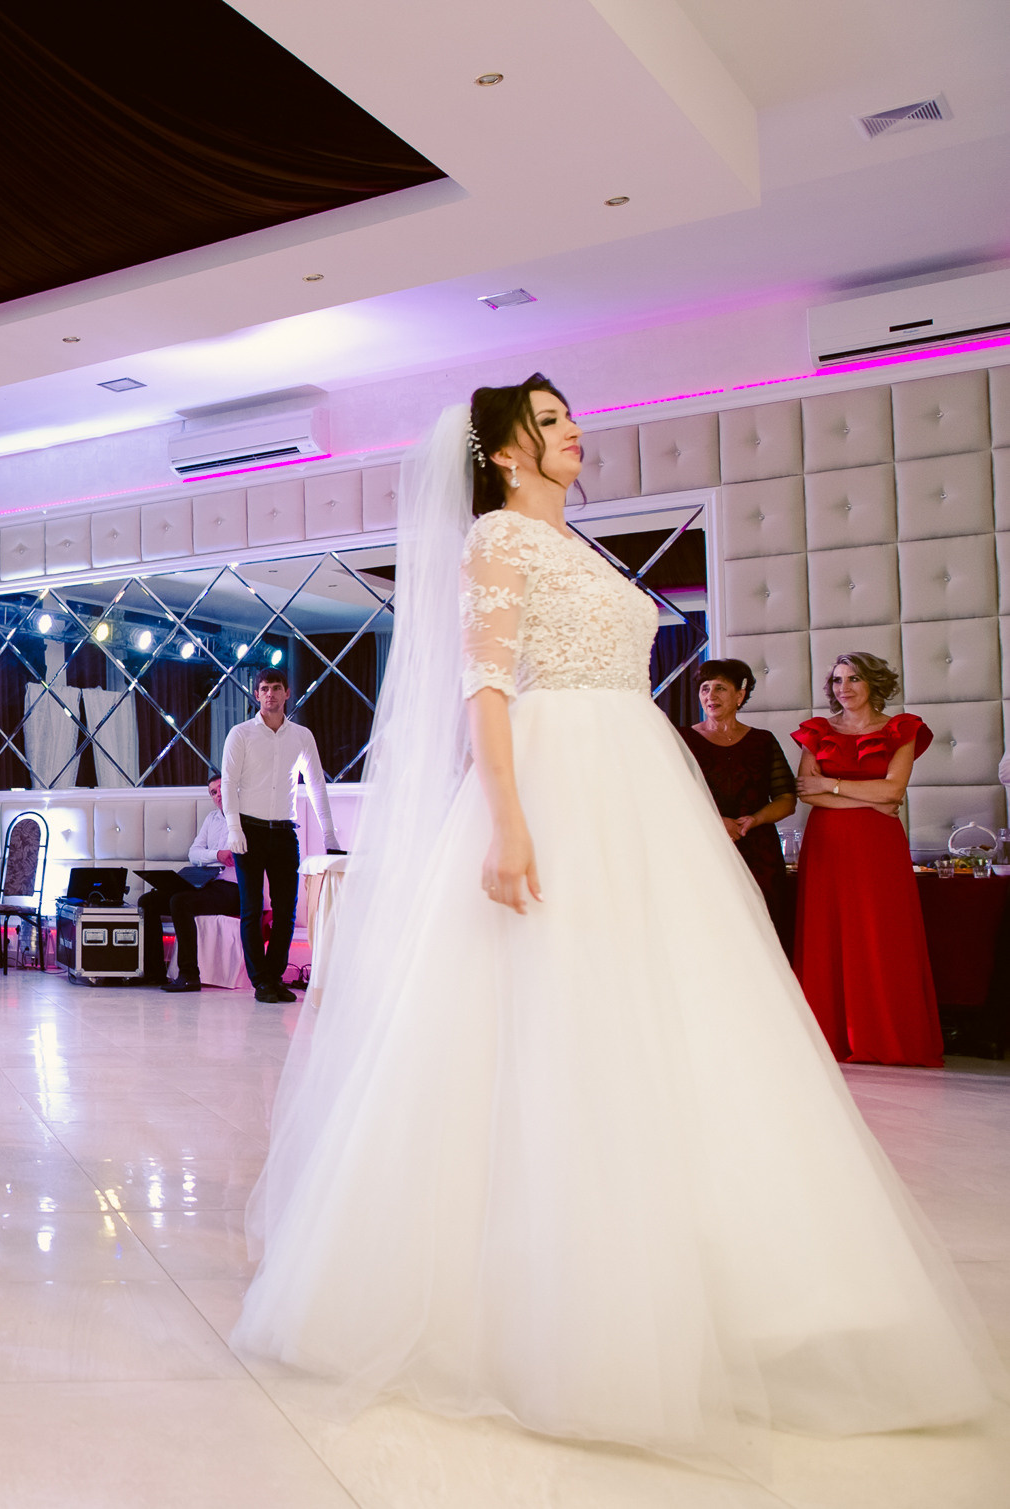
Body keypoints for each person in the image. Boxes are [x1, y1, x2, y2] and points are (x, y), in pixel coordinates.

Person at [234, 378, 1000, 1466]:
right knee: (549, 1021)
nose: (571, 429)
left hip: (637, 785)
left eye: (567, 415)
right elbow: (485, 687)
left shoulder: (579, 546)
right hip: (554, 783)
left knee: (685, 1019)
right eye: (545, 422)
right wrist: (507, 823)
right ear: (501, 453)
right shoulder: (498, 540)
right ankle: (550, 1306)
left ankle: (746, 1289)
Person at [792, 654, 940, 1066]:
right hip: (828, 845)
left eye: (853, 678)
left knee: (880, 933)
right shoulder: (817, 731)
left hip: (878, 846)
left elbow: (894, 792)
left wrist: (833, 785)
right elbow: (807, 792)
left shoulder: (902, 729)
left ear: (873, 682)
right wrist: (865, 799)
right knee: (829, 933)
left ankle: (885, 1037)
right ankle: (831, 1037)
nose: (844, 688)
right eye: (837, 680)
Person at [218, 667, 339, 1003]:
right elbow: (228, 782)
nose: (269, 694)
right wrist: (233, 828)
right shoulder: (240, 734)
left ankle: (275, 976)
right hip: (249, 831)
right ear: (256, 695)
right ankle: (260, 982)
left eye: (275, 688)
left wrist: (329, 835)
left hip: (285, 831)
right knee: (252, 909)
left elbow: (315, 783)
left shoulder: (301, 737)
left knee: (287, 911)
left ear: (287, 693)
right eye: (263, 688)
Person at [678, 659, 796, 953]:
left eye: (720, 688)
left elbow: (786, 799)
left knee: (763, 934)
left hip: (759, 854)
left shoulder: (763, 741)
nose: (710, 696)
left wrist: (753, 820)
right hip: (703, 851)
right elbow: (671, 797)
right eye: (704, 689)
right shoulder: (682, 740)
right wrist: (716, 822)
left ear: (739, 695)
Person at [132, 777, 243, 991]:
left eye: (221, 789)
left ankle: (189, 974)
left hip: (233, 889)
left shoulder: (244, 820)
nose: (218, 794)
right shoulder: (211, 819)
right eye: (213, 792)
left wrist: (213, 856)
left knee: (180, 902)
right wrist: (218, 855)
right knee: (148, 900)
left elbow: (236, 854)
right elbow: (194, 853)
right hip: (206, 884)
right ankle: (154, 973)